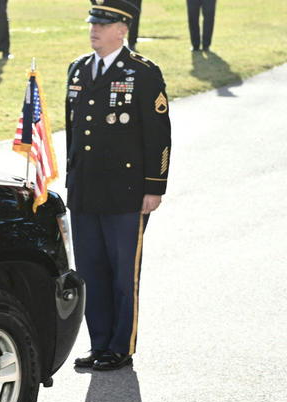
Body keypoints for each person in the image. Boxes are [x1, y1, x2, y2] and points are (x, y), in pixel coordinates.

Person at [65, 0, 170, 371]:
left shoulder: (142, 73)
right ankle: (99, 344)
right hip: (85, 192)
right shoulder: (78, 69)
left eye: (103, 23)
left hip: (126, 193)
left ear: (122, 29)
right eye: (92, 21)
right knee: (91, 272)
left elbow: (158, 136)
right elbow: (74, 135)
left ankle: (120, 347)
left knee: (123, 273)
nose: (94, 28)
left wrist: (154, 187)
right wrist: (70, 181)